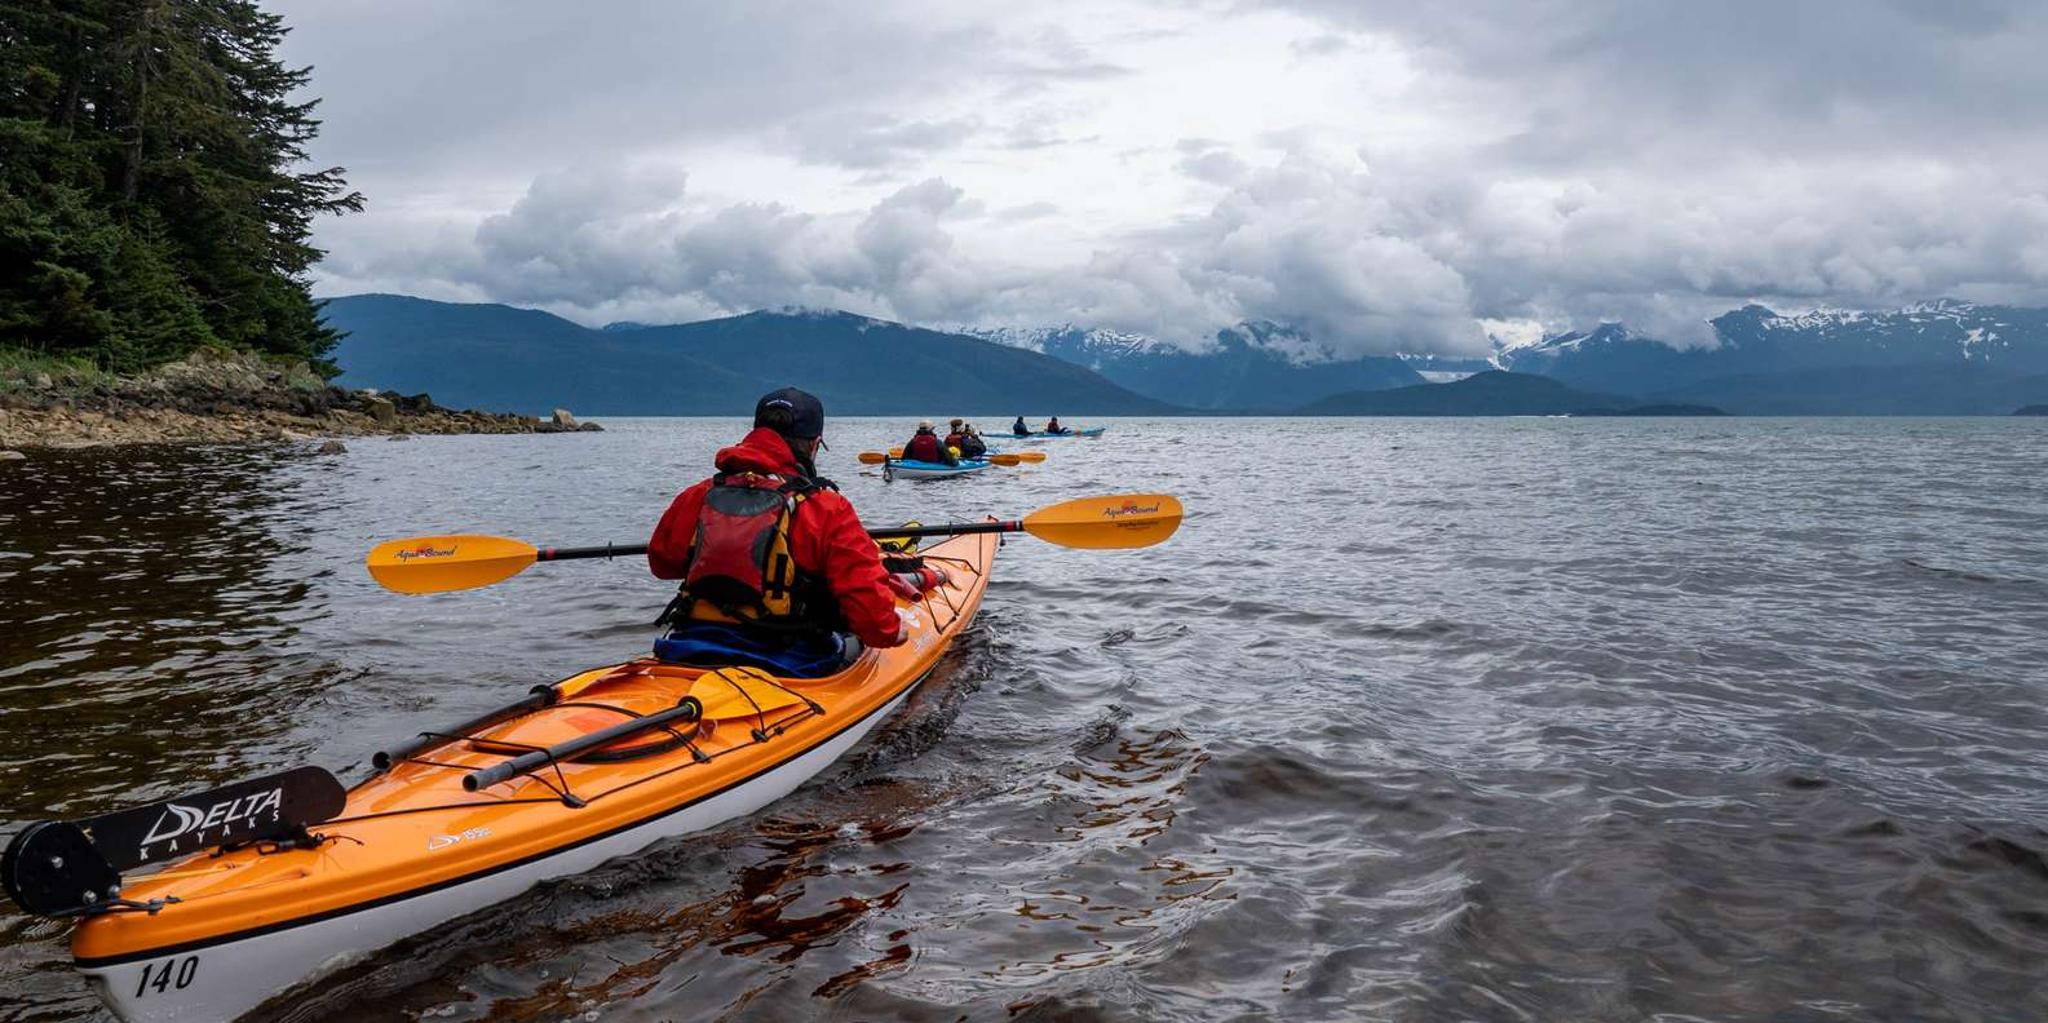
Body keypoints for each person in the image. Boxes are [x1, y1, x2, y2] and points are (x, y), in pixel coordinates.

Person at [647, 388, 945, 677]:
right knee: (858, 642)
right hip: (789, 660)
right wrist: (892, 632)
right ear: (814, 444)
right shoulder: (826, 507)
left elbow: (662, 564)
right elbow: (871, 613)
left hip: (689, 645)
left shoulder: (698, 494)